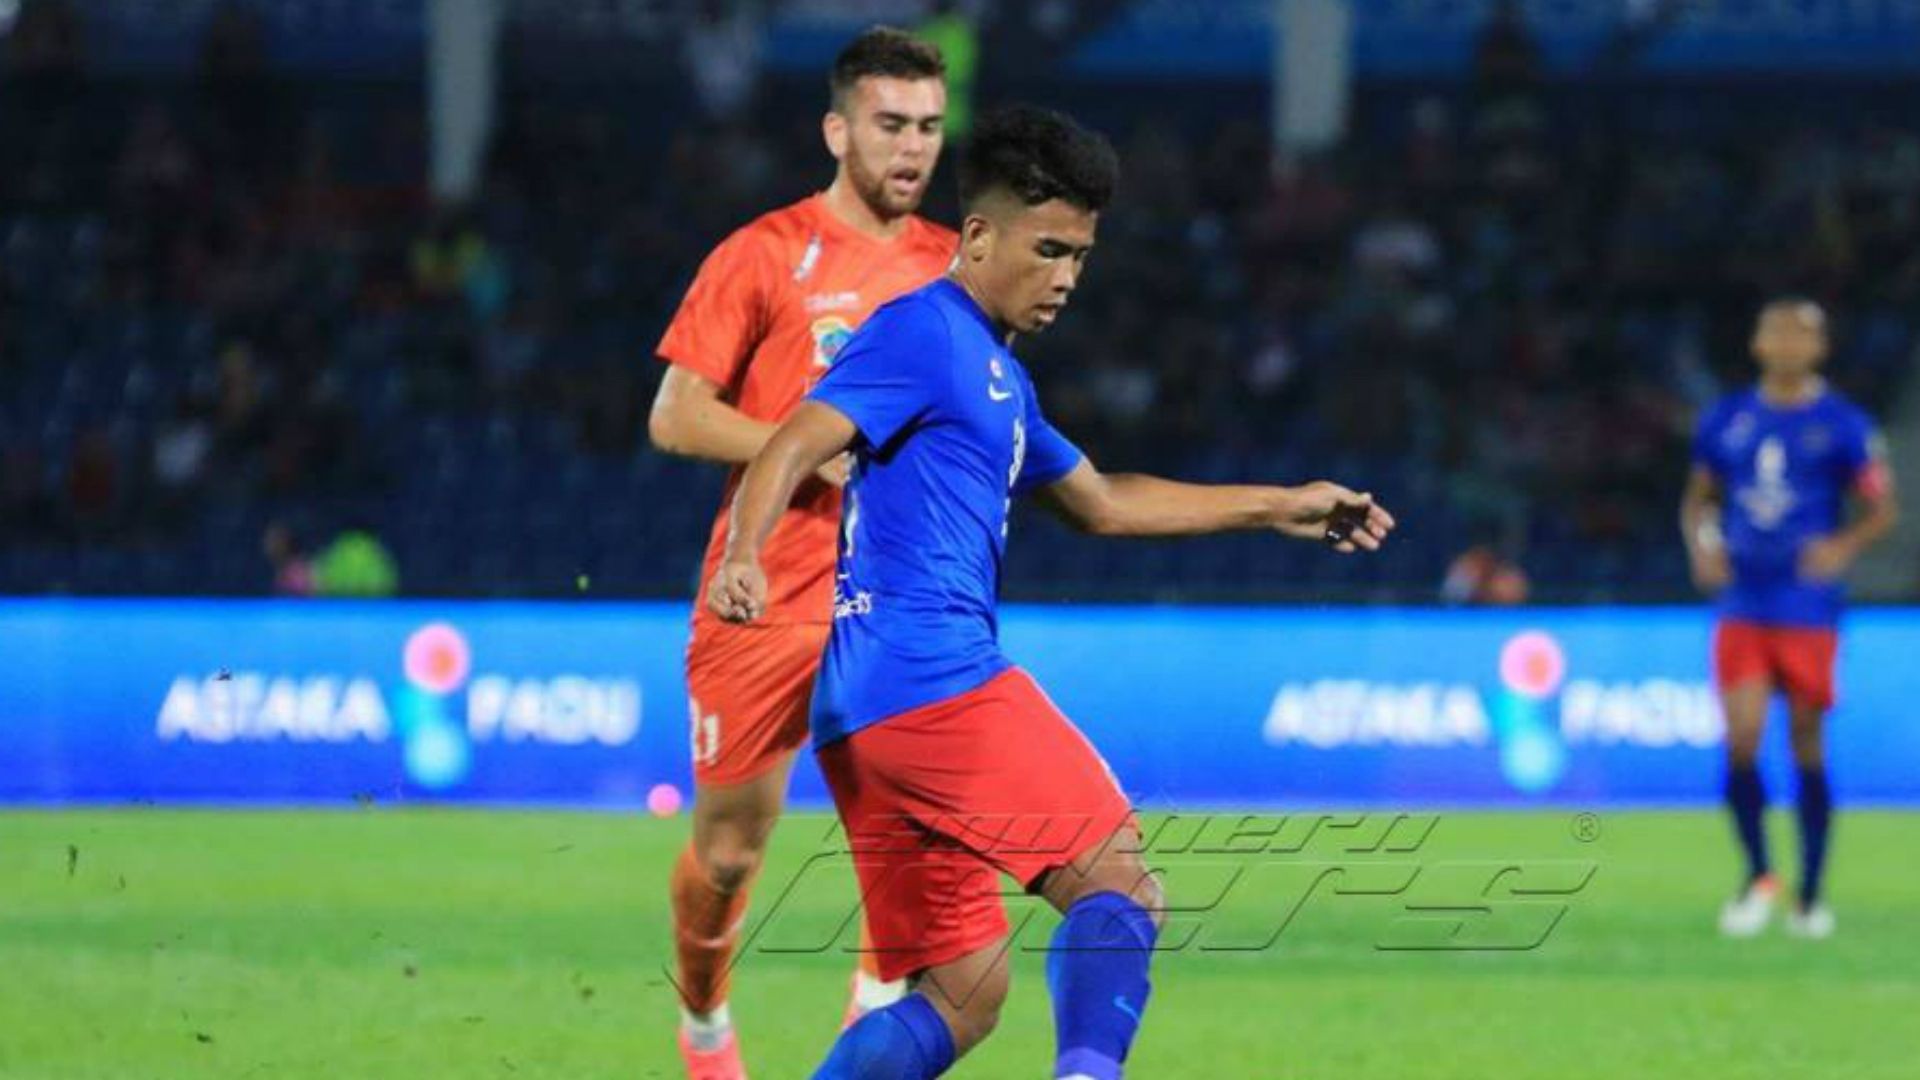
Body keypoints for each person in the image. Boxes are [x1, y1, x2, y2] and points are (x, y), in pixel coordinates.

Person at [708, 105, 1394, 1080]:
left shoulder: (995, 377)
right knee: (1121, 884)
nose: (1068, 276)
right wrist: (746, 551)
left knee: (964, 990)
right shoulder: (922, 333)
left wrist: (1279, 505)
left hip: (863, 713)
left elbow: (1104, 501)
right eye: (1049, 249)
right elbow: (795, 439)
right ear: (979, 236)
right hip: (932, 678)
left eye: (1081, 254)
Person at [646, 26, 955, 1079]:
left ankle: (868, 1028)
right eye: (890, 126)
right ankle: (702, 1020)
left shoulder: (956, 265)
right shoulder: (765, 254)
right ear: (837, 131)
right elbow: (677, 417)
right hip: (765, 591)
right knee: (730, 855)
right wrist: (815, 450)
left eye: (928, 128)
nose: (912, 148)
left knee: (913, 830)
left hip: (905, 598)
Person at [1681, 298, 1898, 940]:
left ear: (1820, 348)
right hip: (1744, 598)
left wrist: (1840, 547)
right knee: (1742, 737)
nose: (1787, 342)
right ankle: (1757, 876)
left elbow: (1881, 508)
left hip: (1806, 604)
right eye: (1776, 329)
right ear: (1757, 343)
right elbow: (1697, 500)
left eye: (1801, 332)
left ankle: (1810, 890)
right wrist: (1702, 545)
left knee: (1806, 736)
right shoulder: (1728, 419)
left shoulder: (1844, 424)